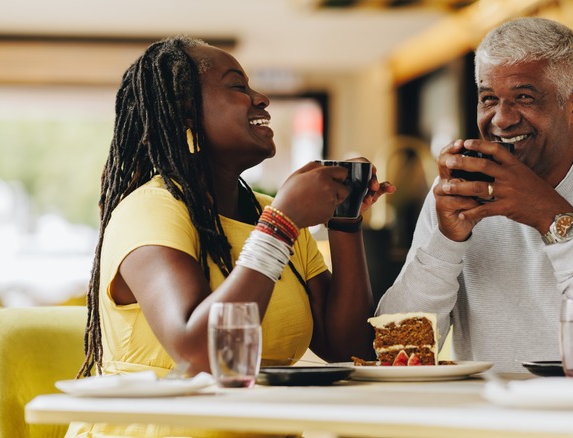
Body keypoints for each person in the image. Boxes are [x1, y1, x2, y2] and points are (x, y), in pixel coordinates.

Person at [69, 35, 393, 437]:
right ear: (185, 112)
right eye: (238, 86)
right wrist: (282, 222)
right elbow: (200, 353)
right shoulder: (152, 208)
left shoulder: (267, 215)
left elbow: (349, 349)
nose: (261, 99)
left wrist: (345, 220)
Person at [376, 17, 573, 375]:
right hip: (503, 420)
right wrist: (446, 242)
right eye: (489, 99)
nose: (501, 119)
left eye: (523, 98)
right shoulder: (458, 193)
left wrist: (551, 216)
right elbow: (396, 351)